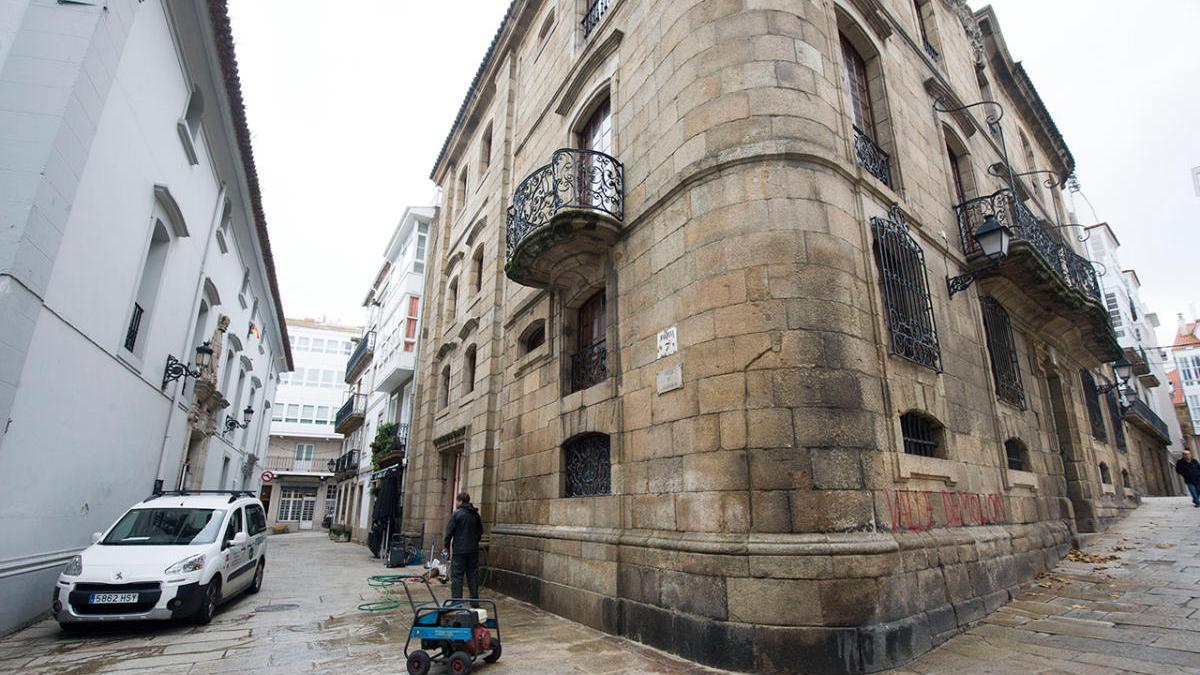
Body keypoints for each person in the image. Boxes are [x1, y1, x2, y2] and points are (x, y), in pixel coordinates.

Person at [442, 491, 483, 601]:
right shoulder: (476, 515)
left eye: (457, 500)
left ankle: (456, 602)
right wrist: (474, 542)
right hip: (473, 550)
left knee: (457, 576)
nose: (455, 503)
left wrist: (446, 546)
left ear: (460, 501)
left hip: (460, 551)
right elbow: (480, 532)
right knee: (473, 575)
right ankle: (474, 601)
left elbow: (449, 532)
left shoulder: (457, 514)